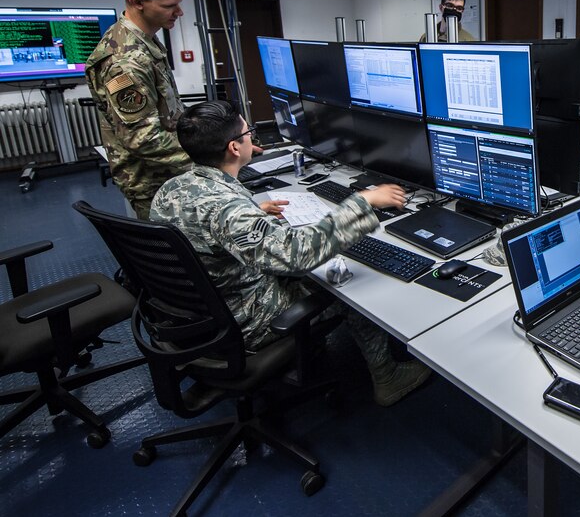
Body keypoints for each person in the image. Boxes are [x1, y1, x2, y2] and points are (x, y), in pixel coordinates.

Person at [150, 100, 431, 407]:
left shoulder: (173, 188)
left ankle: (318, 352)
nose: (252, 138)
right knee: (345, 280)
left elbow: (203, 226)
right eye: (249, 132)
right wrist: (364, 202)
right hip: (242, 320)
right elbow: (296, 255)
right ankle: (388, 379)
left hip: (197, 315)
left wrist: (253, 213)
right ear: (234, 147)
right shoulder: (227, 209)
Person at [86, 0, 191, 219]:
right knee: (177, 257)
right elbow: (143, 140)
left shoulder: (143, 42)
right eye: (169, 6)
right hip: (154, 180)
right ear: (137, 2)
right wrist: (212, 159)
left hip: (169, 170)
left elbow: (166, 110)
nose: (179, 12)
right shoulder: (125, 61)